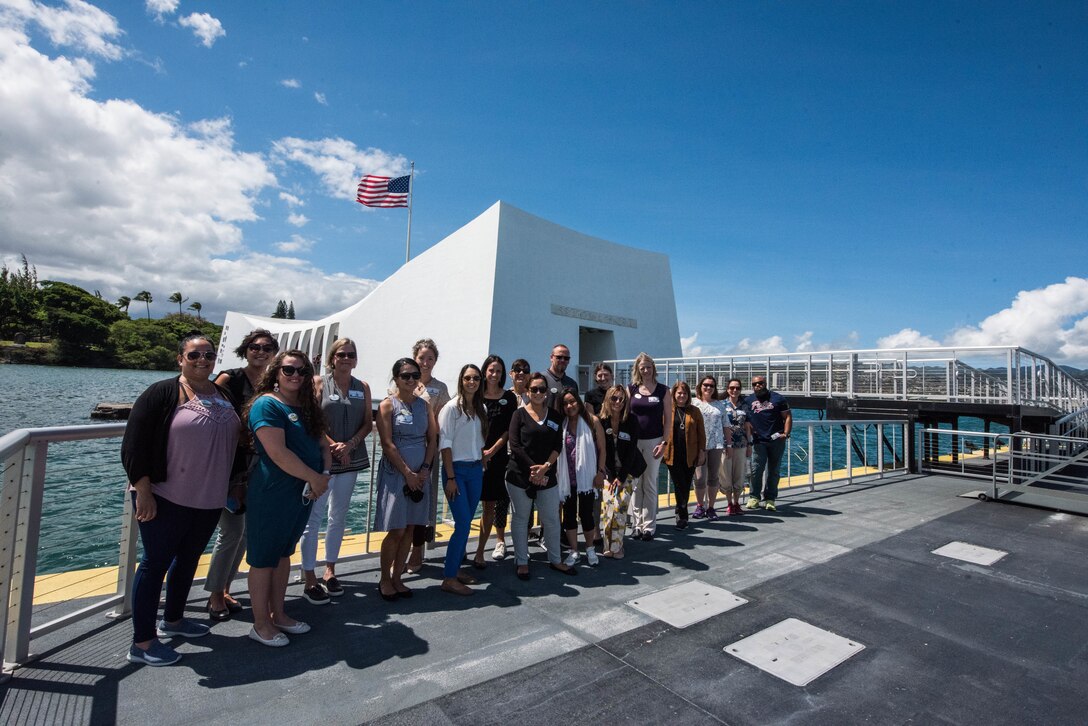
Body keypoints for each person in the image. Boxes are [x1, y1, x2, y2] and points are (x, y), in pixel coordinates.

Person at [121, 333, 240, 666]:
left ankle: (173, 620)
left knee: (187, 560)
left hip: (208, 497)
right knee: (155, 563)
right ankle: (142, 643)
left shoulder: (223, 392)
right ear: (180, 359)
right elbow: (134, 443)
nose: (202, 360)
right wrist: (142, 489)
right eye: (194, 355)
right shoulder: (163, 392)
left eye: (208, 354)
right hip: (165, 495)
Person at [244, 351, 332, 647]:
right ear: (275, 372)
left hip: (301, 494)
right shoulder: (267, 404)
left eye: (302, 371)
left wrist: (325, 472)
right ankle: (260, 624)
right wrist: (315, 478)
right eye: (289, 370)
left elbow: (322, 443)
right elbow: (278, 453)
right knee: (262, 558)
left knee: (283, 554)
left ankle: (279, 613)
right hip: (272, 493)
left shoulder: (306, 406)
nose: (296, 376)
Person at [204, 329, 278, 621]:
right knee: (231, 531)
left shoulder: (273, 382)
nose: (260, 352)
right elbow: (207, 411)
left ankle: (223, 588)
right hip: (229, 464)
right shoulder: (229, 378)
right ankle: (213, 595)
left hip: (259, 464)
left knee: (245, 533)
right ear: (245, 350)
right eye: (255, 347)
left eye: (267, 347)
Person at [298, 338, 372, 604]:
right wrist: (333, 445)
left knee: (338, 516)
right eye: (341, 354)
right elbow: (311, 418)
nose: (346, 358)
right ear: (332, 357)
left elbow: (367, 422)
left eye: (351, 354)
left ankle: (330, 569)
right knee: (314, 517)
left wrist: (350, 444)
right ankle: (309, 575)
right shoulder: (318, 383)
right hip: (322, 460)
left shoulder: (362, 387)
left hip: (349, 459)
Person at [373, 358, 438, 600]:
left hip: (420, 475)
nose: (410, 379)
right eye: (405, 375)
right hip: (396, 475)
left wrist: (425, 469)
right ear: (396, 378)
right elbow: (387, 444)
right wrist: (407, 473)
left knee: (411, 528)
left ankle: (398, 577)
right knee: (397, 529)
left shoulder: (424, 406)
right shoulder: (388, 406)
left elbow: (432, 439)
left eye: (414, 375)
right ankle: (384, 578)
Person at [506, 372, 577, 579]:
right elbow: (516, 446)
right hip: (519, 476)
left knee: (552, 519)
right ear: (527, 391)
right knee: (520, 519)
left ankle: (556, 560)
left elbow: (558, 445)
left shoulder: (554, 416)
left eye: (542, 389)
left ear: (547, 392)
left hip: (547, 476)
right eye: (534, 389)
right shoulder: (518, 415)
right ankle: (521, 561)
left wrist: (545, 467)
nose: (538, 393)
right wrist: (534, 470)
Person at [437, 364, 487, 595]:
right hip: (456, 471)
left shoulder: (480, 408)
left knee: (466, 524)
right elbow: (445, 445)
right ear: (461, 380)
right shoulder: (450, 409)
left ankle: (455, 569)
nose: (472, 382)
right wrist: (450, 477)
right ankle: (448, 577)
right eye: (468, 378)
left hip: (476, 470)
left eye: (476, 378)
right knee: (464, 523)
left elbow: (478, 440)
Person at [406, 339, 450, 573]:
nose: (425, 362)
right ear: (415, 358)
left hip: (427, 451)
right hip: (404, 451)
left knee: (422, 503)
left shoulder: (440, 388)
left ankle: (416, 551)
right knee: (402, 502)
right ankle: (400, 550)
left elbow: (444, 420)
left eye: (430, 358)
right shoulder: (402, 382)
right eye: (422, 357)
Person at [473, 355, 518, 565]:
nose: (494, 374)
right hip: (472, 457)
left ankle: (480, 551)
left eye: (498, 371)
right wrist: (478, 451)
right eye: (491, 370)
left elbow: (508, 430)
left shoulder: (509, 398)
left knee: (489, 506)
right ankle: (461, 546)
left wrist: (490, 452)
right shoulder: (474, 395)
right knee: (467, 506)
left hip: (496, 458)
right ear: (484, 371)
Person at [557, 388, 606, 566]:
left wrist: (601, 472)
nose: (570, 406)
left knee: (587, 514)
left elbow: (602, 449)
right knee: (569, 516)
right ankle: (574, 550)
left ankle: (590, 548)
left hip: (587, 477)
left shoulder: (592, 422)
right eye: (565, 403)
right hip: (567, 478)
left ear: (578, 401)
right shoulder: (561, 423)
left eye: (572, 401)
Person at [627, 352, 671, 540]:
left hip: (655, 441)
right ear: (637, 369)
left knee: (650, 483)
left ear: (653, 368)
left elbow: (668, 419)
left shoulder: (663, 390)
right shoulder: (631, 389)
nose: (645, 370)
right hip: (634, 442)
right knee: (635, 484)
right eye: (642, 367)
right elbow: (625, 416)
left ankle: (649, 526)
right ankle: (636, 525)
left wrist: (664, 443)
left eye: (648, 367)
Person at [598, 385, 643, 559]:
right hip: (609, 471)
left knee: (620, 506)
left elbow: (632, 451)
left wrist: (622, 477)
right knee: (608, 507)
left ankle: (617, 546)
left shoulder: (631, 420)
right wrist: (610, 477)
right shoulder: (602, 421)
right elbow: (603, 450)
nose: (617, 402)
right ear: (608, 400)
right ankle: (607, 545)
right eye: (614, 398)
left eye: (621, 399)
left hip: (629, 470)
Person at [744, 375, 792, 512]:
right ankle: (754, 497)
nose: (757, 386)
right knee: (756, 470)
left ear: (766, 383)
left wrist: (786, 433)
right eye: (754, 384)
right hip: (759, 441)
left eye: (760, 383)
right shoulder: (748, 400)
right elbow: (744, 418)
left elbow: (787, 416)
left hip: (776, 440)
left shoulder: (778, 398)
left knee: (774, 470)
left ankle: (770, 499)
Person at [662, 381, 706, 529]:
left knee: (685, 485)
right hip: (673, 454)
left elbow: (701, 434)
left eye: (685, 393)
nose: (682, 396)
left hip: (690, 454)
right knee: (679, 484)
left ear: (688, 395)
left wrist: (701, 452)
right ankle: (682, 516)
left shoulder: (695, 411)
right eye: (679, 393)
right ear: (674, 394)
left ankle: (679, 511)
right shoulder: (668, 409)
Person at [691, 376, 727, 521]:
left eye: (711, 386)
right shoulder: (693, 403)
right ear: (700, 386)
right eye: (705, 385)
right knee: (699, 478)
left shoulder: (719, 404)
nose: (708, 388)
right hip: (699, 446)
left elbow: (726, 425)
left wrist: (729, 445)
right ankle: (700, 506)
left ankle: (711, 507)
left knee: (713, 478)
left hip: (716, 445)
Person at [721, 378, 752, 515]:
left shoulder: (745, 406)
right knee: (726, 475)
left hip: (741, 445)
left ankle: (736, 503)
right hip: (725, 445)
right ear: (727, 389)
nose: (734, 390)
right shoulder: (721, 404)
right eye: (732, 388)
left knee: (739, 474)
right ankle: (729, 503)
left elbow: (747, 426)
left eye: (737, 388)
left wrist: (749, 443)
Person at [541, 343, 578, 411]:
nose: (562, 360)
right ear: (551, 357)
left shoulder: (572, 383)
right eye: (559, 357)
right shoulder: (541, 379)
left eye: (566, 358)